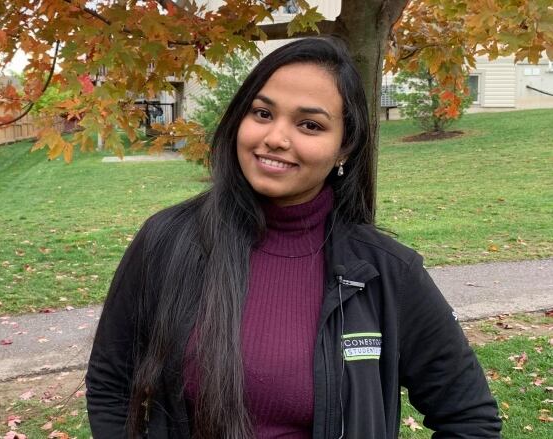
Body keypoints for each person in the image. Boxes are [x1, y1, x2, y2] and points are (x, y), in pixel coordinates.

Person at [86, 37, 501, 439]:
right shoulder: (167, 241)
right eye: (263, 114)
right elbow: (111, 383)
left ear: (345, 147)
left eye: (309, 124)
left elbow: (469, 419)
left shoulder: (384, 272)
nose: (276, 138)